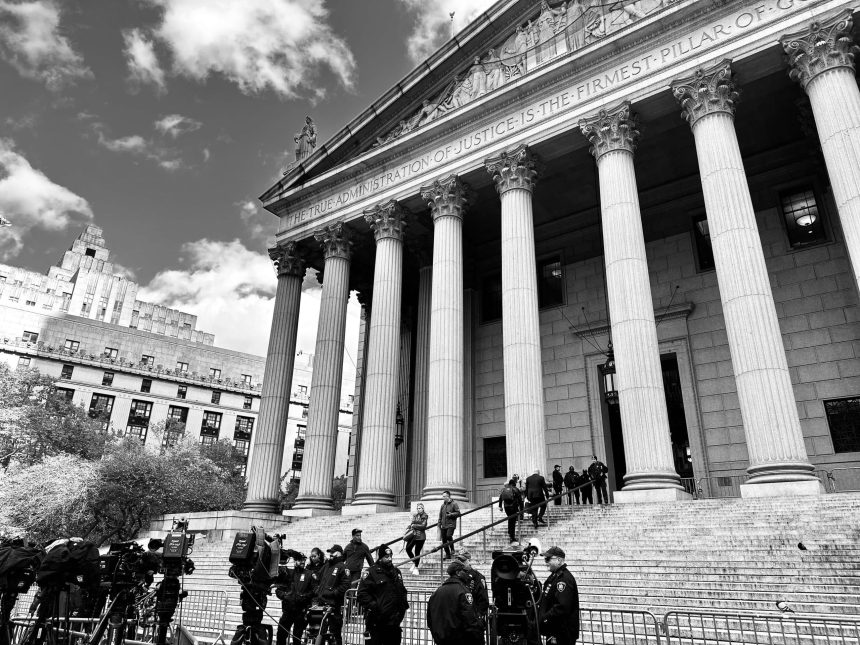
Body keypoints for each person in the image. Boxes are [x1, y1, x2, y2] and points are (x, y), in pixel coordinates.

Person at [356, 545, 409, 645]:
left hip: (393, 622)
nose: (390, 559)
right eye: (386, 557)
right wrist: (377, 608)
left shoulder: (396, 572)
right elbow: (362, 594)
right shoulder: (371, 572)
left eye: (391, 556)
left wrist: (402, 609)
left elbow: (402, 591)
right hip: (376, 622)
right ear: (380, 558)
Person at [426, 561, 485, 645]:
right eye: (465, 571)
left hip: (441, 640)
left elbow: (430, 620)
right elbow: (470, 620)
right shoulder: (463, 592)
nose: (467, 574)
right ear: (458, 573)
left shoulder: (437, 592)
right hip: (460, 640)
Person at [274, 549, 322, 645]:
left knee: (297, 637)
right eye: (300, 560)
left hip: (301, 611)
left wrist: (304, 597)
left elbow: (315, 590)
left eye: (304, 560)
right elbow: (278, 589)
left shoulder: (309, 574)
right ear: (295, 561)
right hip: (287, 610)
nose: (303, 562)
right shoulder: (288, 573)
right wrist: (285, 596)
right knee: (281, 635)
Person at [538, 546, 579, 645]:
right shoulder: (555, 576)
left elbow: (562, 607)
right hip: (554, 631)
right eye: (545, 559)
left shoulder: (564, 579)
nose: (546, 562)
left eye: (548, 559)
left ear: (559, 560)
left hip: (561, 634)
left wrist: (544, 618)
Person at [314, 544, 350, 645]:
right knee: (320, 634)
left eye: (333, 552)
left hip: (334, 607)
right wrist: (317, 591)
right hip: (322, 604)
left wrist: (333, 593)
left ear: (339, 553)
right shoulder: (327, 565)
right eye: (330, 552)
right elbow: (317, 578)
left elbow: (346, 585)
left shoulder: (343, 567)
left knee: (335, 634)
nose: (330, 554)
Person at [453, 550, 488, 619]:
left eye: (463, 560)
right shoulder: (456, 575)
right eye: (458, 560)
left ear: (469, 560)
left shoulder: (478, 577)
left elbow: (483, 599)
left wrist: (477, 616)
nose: (460, 563)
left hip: (472, 616)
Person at [498, 478, 523, 545]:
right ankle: (512, 536)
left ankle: (510, 532)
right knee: (513, 521)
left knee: (510, 519)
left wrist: (500, 506)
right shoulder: (516, 489)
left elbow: (500, 498)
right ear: (514, 484)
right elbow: (520, 500)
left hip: (506, 507)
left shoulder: (505, 489)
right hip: (513, 507)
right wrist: (521, 509)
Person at [405, 503, 428, 575]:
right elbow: (412, 523)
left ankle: (416, 567)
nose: (419, 509)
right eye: (418, 508)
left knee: (417, 552)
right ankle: (415, 562)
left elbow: (423, 526)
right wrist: (409, 526)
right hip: (413, 535)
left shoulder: (425, 516)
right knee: (408, 549)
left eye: (420, 508)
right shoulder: (415, 515)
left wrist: (414, 525)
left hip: (420, 537)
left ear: (423, 509)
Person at [438, 491, 460, 559]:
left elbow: (458, 513)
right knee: (444, 540)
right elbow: (440, 515)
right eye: (443, 496)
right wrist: (439, 523)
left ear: (448, 496)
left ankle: (452, 549)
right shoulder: (442, 505)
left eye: (444, 496)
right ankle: (448, 554)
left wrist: (451, 514)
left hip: (451, 524)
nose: (443, 497)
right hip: (443, 525)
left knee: (448, 536)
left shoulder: (454, 504)